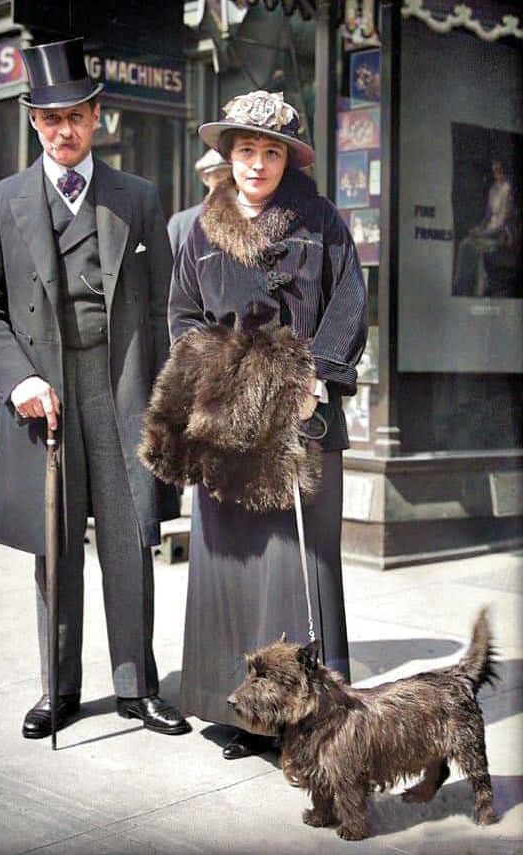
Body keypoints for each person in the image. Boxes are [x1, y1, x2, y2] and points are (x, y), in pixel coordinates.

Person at [0, 38, 189, 740]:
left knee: (130, 541)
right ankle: (57, 691)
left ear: (98, 118)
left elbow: (161, 309)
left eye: (77, 117)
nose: (65, 131)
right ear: (34, 123)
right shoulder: (0, 204)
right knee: (54, 547)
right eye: (50, 119)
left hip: (121, 390)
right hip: (46, 396)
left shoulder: (138, 198)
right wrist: (18, 378)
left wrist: (166, 394)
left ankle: (136, 686)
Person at [167, 91, 367, 759]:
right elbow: (184, 317)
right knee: (231, 564)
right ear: (227, 156)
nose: (257, 163)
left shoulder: (323, 221)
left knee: (301, 564)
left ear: (287, 158)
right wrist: (216, 381)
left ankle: (307, 716)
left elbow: (348, 302)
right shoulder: (200, 228)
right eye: (246, 150)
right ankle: (240, 712)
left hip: (301, 417)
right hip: (228, 421)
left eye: (271, 151)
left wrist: (321, 376)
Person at [453, 156, 520, 297]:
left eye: (499, 169)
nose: (496, 172)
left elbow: (504, 221)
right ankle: (463, 287)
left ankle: (476, 288)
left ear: (504, 170)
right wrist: (479, 228)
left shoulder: (507, 189)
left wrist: (484, 234)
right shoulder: (493, 189)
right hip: (489, 231)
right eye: (494, 169)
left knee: (470, 246)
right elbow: (488, 215)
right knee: (465, 243)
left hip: (502, 235)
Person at [167, 149, 231, 257]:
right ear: (205, 178)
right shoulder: (181, 222)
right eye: (219, 176)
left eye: (230, 177)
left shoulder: (250, 216)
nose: (225, 182)